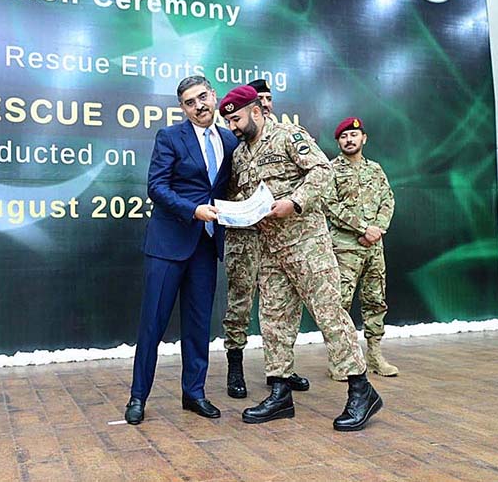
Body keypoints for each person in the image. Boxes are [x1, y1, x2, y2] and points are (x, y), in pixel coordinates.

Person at [219, 85, 382, 431]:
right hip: (271, 251)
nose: (232, 127)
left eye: (236, 119)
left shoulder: (289, 135)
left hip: (307, 246)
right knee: (274, 319)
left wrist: (294, 202)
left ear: (256, 110)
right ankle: (279, 391)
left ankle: (360, 389)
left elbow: (322, 173)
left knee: (329, 315)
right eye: (229, 121)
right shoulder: (240, 155)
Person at [125, 76, 238, 425]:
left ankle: (195, 393)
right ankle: (138, 397)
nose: (199, 105)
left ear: (214, 96)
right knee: (152, 325)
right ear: (182, 108)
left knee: (198, 324)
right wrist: (193, 210)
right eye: (190, 102)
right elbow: (156, 187)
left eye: (202, 97)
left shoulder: (231, 140)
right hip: (168, 244)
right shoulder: (170, 137)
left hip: (206, 245)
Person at [222, 79, 309, 399]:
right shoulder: (237, 148)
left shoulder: (287, 138)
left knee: (284, 307)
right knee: (240, 303)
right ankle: (235, 366)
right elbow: (227, 190)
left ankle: (282, 371)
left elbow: (313, 176)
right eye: (260, 98)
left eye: (269, 99)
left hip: (283, 238)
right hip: (244, 237)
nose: (266, 103)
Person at [326, 117, 398, 381]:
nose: (349, 140)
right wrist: (362, 229)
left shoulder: (375, 170)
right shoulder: (331, 170)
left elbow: (387, 200)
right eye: (344, 136)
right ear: (338, 142)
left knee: (375, 301)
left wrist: (377, 228)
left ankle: (375, 356)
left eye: (354, 135)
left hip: (374, 247)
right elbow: (330, 205)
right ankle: (340, 360)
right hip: (345, 247)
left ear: (363, 138)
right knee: (339, 303)